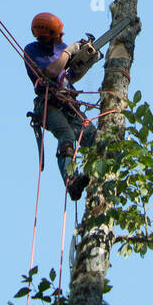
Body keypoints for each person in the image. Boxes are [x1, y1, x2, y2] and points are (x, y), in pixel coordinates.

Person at [24, 12, 99, 200]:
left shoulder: (61, 48)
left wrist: (86, 61)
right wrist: (68, 52)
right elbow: (50, 72)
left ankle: (98, 174)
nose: (62, 37)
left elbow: (70, 76)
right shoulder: (32, 50)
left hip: (67, 103)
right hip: (48, 105)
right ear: (47, 36)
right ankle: (71, 180)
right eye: (58, 35)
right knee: (66, 135)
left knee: (94, 138)